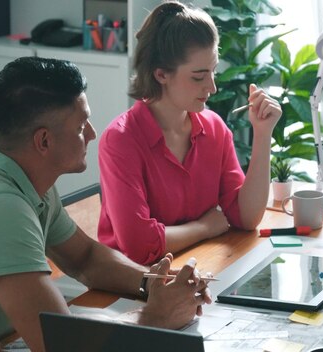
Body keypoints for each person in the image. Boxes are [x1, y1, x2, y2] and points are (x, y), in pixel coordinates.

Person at [0, 57, 211, 351]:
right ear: (43, 141)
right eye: (82, 126)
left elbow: (86, 258)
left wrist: (155, 283)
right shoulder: (3, 206)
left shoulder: (27, 178)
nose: (93, 134)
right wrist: (155, 315)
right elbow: (60, 343)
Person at [97, 1, 282, 265]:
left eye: (213, 71)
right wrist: (204, 228)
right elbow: (139, 247)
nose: (212, 87)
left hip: (196, 267)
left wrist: (263, 135)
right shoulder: (120, 140)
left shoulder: (214, 128)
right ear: (161, 74)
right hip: (134, 283)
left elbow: (246, 217)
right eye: (199, 76)